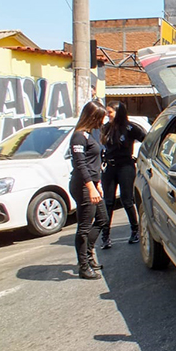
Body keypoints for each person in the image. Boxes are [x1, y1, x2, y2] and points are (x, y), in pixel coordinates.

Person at [69, 100, 108, 280]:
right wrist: (91, 187)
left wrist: (98, 182)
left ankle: (89, 253)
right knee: (84, 227)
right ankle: (83, 266)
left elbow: (94, 163)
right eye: (101, 117)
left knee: (102, 219)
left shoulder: (89, 135)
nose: (103, 121)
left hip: (93, 184)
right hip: (83, 186)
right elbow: (81, 165)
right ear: (93, 117)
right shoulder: (78, 136)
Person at [100, 102, 147, 249]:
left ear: (118, 112)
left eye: (110, 112)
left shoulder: (129, 127)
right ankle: (105, 236)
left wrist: (140, 158)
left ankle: (135, 230)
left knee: (127, 200)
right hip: (110, 167)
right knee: (108, 202)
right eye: (106, 112)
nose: (107, 115)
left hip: (125, 167)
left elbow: (147, 140)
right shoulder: (106, 128)